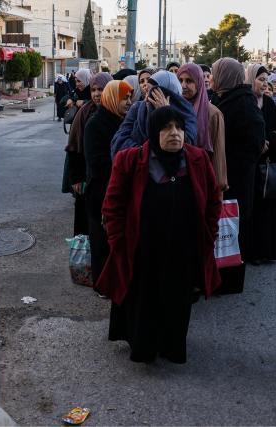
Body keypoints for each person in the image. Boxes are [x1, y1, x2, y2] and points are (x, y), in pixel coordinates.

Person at [96, 106, 222, 364]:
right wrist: (118, 241)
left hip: (183, 248)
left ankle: (172, 347)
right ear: (153, 132)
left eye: (179, 127)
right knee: (145, 297)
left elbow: (213, 201)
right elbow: (113, 205)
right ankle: (144, 347)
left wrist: (209, 233)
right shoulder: (130, 160)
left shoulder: (198, 159)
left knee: (178, 299)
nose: (174, 133)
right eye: (166, 127)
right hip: (143, 248)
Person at [211, 57, 265, 293]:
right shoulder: (225, 98)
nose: (211, 78)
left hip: (238, 177)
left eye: (214, 74)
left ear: (225, 76)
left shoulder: (242, 102)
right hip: (228, 173)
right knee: (224, 226)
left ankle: (231, 281)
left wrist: (233, 156)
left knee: (234, 226)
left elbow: (256, 140)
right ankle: (220, 276)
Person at [83, 80, 134, 294]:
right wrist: (124, 170)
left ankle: (115, 280)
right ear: (113, 98)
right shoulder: (96, 124)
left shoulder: (123, 121)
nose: (129, 102)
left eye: (131, 97)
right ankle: (102, 285)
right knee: (101, 241)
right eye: (125, 98)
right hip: (101, 192)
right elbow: (96, 163)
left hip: (119, 191)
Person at [243, 64, 276, 264]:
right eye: (260, 79)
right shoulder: (245, 103)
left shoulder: (268, 103)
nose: (263, 83)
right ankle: (251, 252)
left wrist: (269, 140)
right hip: (250, 166)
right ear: (250, 79)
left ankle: (265, 251)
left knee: (267, 209)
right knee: (252, 209)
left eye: (265, 80)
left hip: (267, 165)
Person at [65, 72, 113, 236]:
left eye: (101, 89)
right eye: (93, 90)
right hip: (86, 178)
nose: (97, 94)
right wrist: (77, 177)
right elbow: (73, 146)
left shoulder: (117, 110)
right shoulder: (85, 112)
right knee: (86, 223)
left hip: (105, 178)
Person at [111, 70, 198, 156]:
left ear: (169, 94)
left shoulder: (186, 112)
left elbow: (185, 145)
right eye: (147, 91)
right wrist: (143, 153)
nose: (148, 97)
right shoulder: (137, 108)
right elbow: (118, 142)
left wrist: (167, 114)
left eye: (153, 92)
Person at [177, 63, 228, 192]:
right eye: (180, 80)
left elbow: (218, 153)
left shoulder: (213, 114)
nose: (183, 85)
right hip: (178, 179)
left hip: (203, 181)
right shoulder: (174, 109)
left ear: (199, 82)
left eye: (189, 81)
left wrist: (218, 188)